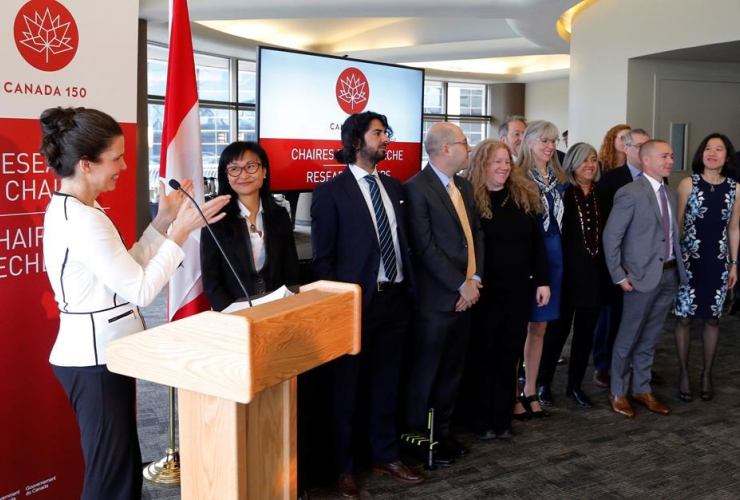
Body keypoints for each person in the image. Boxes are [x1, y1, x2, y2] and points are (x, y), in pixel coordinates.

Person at [40, 107, 229, 500]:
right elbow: (140, 290)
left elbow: (126, 266)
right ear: (86, 164)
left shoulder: (80, 209)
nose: (125, 166)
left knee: (121, 470)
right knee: (111, 480)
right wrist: (179, 234)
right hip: (93, 361)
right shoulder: (82, 218)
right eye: (117, 158)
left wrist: (163, 222)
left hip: (102, 357)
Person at [311, 111, 423, 499]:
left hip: (395, 302)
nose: (386, 139)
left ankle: (385, 454)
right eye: (379, 133)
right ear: (356, 140)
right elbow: (323, 260)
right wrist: (339, 305)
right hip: (354, 306)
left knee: (387, 384)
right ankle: (343, 468)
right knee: (346, 390)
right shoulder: (330, 192)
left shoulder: (395, 187)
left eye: (386, 132)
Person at [404, 122, 483, 466]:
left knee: (453, 371)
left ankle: (444, 433)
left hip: (467, 295)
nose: (470, 149)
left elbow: (476, 234)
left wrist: (475, 280)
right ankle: (420, 440)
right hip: (436, 301)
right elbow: (425, 247)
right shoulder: (416, 188)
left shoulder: (463, 186)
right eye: (465, 143)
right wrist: (458, 284)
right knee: (427, 374)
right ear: (446, 149)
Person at [461, 140, 548, 439]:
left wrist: (543, 280)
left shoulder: (522, 195)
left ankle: (502, 420)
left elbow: (537, 243)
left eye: (506, 162)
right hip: (484, 293)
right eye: (496, 162)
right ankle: (481, 421)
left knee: (509, 355)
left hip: (518, 290)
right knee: (483, 355)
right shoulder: (467, 197)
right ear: (481, 165)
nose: (503, 167)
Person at [603, 140, 687, 419]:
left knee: (650, 338)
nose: (670, 161)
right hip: (638, 279)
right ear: (647, 160)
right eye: (665, 156)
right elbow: (611, 237)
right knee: (627, 339)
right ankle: (617, 391)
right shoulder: (630, 192)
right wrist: (619, 276)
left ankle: (642, 388)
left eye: (672, 156)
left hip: (668, 275)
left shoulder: (671, 193)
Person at [538, 143, 607, 408]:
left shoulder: (603, 194)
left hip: (594, 275)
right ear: (571, 165)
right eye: (583, 160)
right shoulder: (562, 194)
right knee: (557, 333)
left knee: (585, 335)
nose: (589, 164)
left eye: (593, 159)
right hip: (566, 276)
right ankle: (543, 382)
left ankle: (575, 386)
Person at [673, 133, 740, 402]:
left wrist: (734, 264)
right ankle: (684, 372)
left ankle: (706, 373)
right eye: (708, 148)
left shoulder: (735, 188)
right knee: (684, 318)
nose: (712, 153)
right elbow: (675, 226)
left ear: (727, 156)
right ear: (701, 154)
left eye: (719, 149)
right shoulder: (688, 184)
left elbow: (734, 229)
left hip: (718, 261)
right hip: (688, 260)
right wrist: (673, 263)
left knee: (712, 318)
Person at [200, 141, 299, 311]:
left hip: (278, 310)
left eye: (251, 166)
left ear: (264, 171)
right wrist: (233, 315)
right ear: (226, 176)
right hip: (233, 315)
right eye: (234, 169)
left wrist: (288, 306)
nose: (243, 175)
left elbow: (291, 271)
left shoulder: (280, 215)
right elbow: (211, 282)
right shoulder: (215, 219)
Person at [592, 128, 650, 388]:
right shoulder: (610, 179)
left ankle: (635, 365)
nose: (644, 151)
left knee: (641, 319)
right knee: (612, 316)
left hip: (646, 262)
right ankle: (603, 366)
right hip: (617, 261)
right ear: (626, 148)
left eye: (648, 146)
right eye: (639, 146)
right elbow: (605, 225)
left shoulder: (657, 179)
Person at [515, 120, 566, 417]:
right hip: (528, 258)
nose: (549, 146)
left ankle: (530, 388)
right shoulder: (518, 177)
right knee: (518, 327)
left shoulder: (559, 178)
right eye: (544, 140)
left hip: (555, 257)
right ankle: (511, 392)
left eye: (553, 141)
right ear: (529, 142)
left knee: (540, 327)